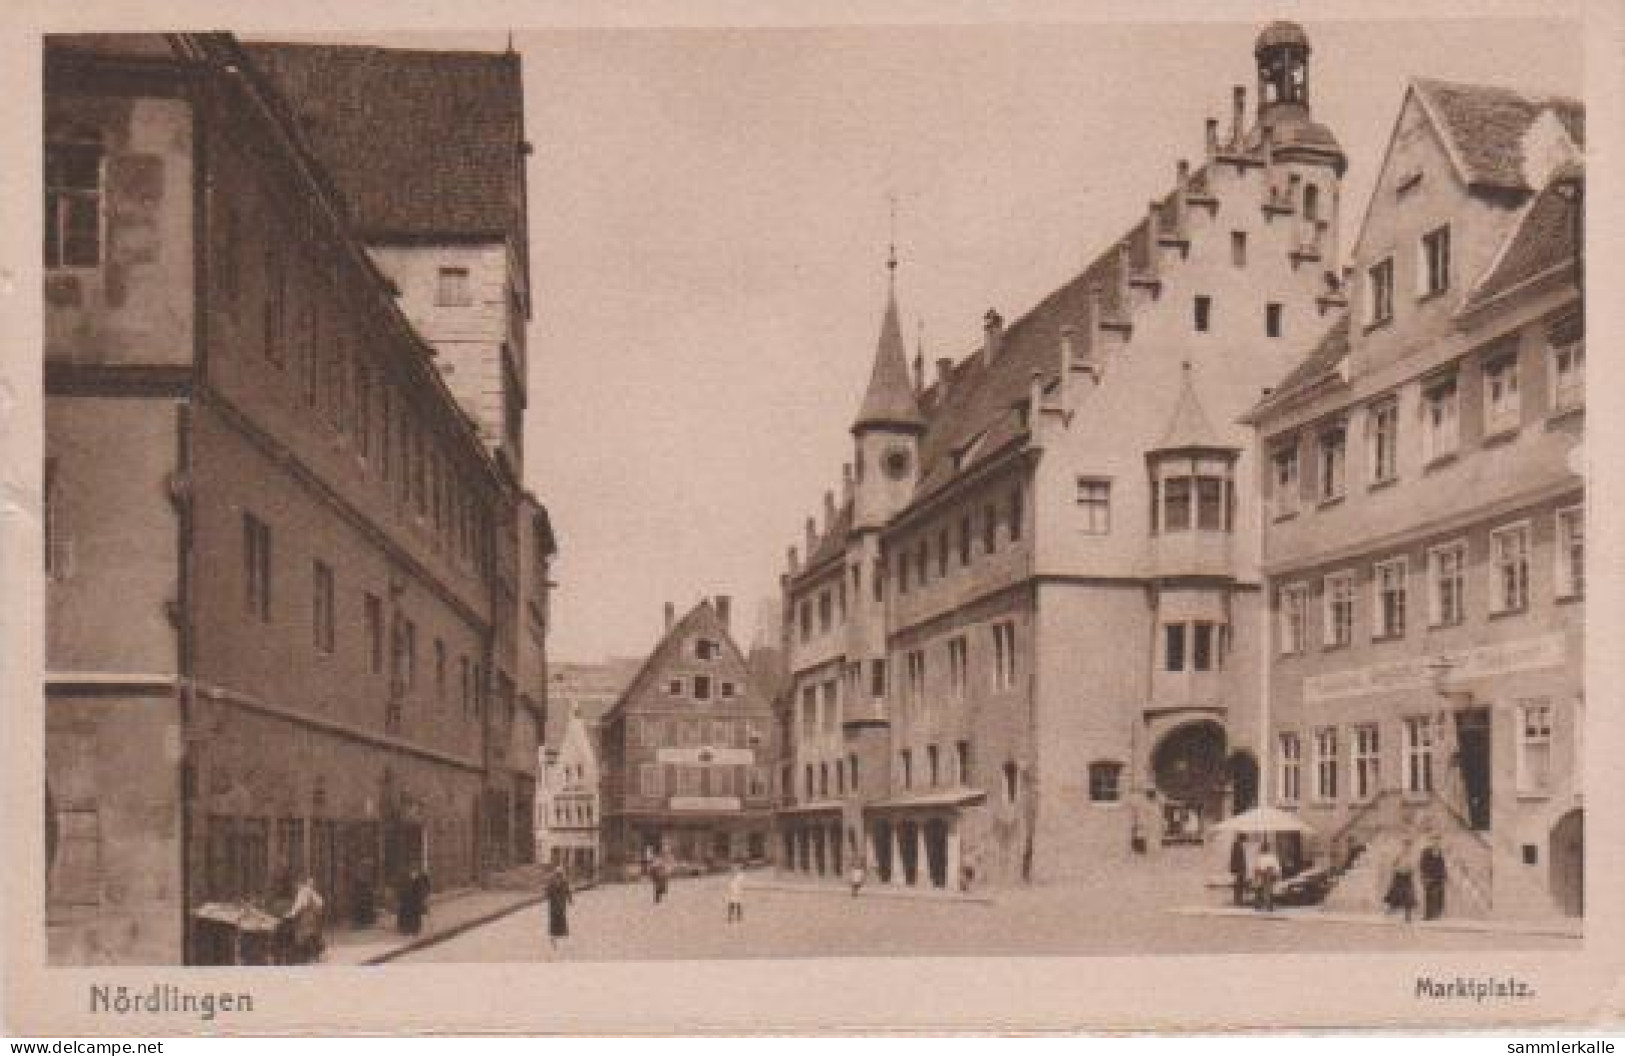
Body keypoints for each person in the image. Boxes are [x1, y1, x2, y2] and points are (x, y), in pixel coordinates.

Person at [288, 876, 326, 963]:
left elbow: (299, 905)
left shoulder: (303, 892)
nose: (297, 887)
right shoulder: (312, 892)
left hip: (307, 917)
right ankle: (315, 955)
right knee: (313, 935)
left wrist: (291, 914)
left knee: (306, 935)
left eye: (297, 885)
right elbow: (321, 903)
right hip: (313, 917)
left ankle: (309, 956)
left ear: (300, 884)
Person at [1384, 842, 1418, 923]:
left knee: (1409, 895)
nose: (1407, 848)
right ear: (1403, 846)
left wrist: (1410, 870)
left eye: (1409, 846)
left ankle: (1408, 915)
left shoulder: (1412, 856)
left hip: (1407, 877)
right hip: (1399, 876)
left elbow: (1414, 867)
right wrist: (1398, 869)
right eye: (1406, 846)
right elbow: (1393, 865)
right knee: (1396, 893)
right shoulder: (1399, 855)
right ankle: (1391, 909)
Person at [1419, 836, 1448, 921]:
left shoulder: (1440, 852)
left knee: (1440, 895)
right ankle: (1428, 915)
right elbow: (1422, 864)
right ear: (1431, 841)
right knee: (1429, 896)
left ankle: (1437, 914)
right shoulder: (1426, 851)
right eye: (1434, 841)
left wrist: (1445, 875)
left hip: (1439, 877)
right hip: (1429, 877)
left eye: (1438, 841)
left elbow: (1442, 864)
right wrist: (1424, 876)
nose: (1436, 843)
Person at [545, 866, 573, 949]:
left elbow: (568, 891)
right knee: (554, 919)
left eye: (560, 874)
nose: (559, 875)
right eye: (558, 874)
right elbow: (548, 892)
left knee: (561, 917)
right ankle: (553, 935)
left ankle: (562, 932)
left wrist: (570, 899)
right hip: (554, 904)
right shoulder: (551, 882)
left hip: (561, 903)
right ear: (555, 874)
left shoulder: (565, 882)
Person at [396, 867, 429, 936]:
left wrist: (422, 898)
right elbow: (401, 890)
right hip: (407, 902)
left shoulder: (419, 881)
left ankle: (415, 930)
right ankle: (405, 930)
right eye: (412, 873)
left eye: (415, 873)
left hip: (415, 902)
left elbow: (423, 890)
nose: (413, 875)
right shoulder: (406, 881)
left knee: (416, 916)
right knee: (406, 915)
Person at [1253, 839, 1280, 912]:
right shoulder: (1272, 857)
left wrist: (1256, 876)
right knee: (1268, 890)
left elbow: (1256, 867)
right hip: (1269, 874)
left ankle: (1259, 905)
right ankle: (1268, 905)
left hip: (1262, 874)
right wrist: (1276, 874)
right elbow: (1277, 867)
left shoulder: (1259, 857)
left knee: (1260, 889)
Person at [1229, 835, 1249, 907]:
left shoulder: (1237, 846)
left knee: (1239, 884)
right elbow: (1237, 859)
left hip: (1239, 869)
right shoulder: (1237, 846)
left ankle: (1239, 899)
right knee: (1238, 885)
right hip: (1239, 869)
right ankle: (1238, 900)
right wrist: (1240, 870)